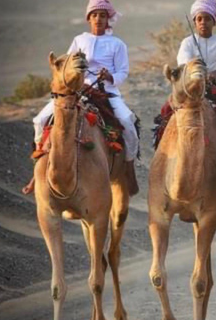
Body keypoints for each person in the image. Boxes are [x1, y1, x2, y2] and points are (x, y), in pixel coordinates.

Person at [22, 0, 139, 195]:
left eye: (102, 15)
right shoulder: (79, 40)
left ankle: (129, 168)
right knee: (40, 119)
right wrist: (75, 81)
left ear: (108, 18)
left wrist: (109, 76)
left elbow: (123, 72)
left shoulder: (118, 44)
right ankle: (38, 168)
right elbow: (67, 67)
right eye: (95, 15)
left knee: (128, 122)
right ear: (89, 18)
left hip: (106, 91)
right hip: (77, 91)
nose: (98, 19)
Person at [177, 0, 216, 105]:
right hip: (192, 90)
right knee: (167, 114)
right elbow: (183, 66)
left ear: (214, 22)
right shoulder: (187, 43)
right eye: (199, 19)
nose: (203, 22)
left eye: (207, 19)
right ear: (195, 22)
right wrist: (197, 75)